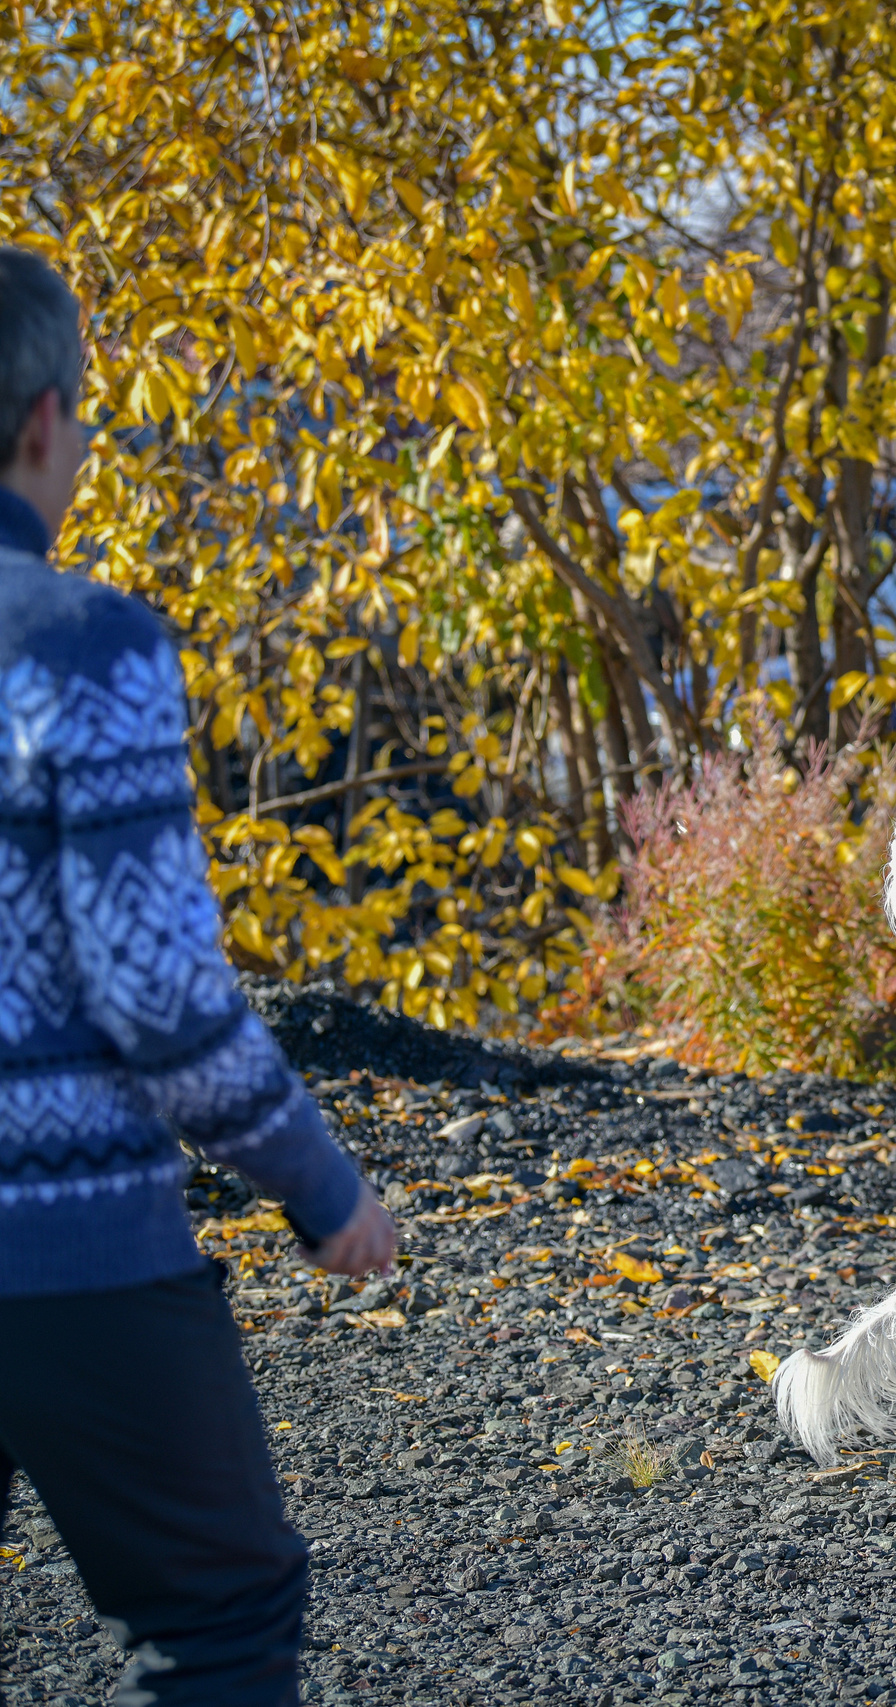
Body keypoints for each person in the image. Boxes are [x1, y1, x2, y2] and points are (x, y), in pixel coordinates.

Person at [0, 246, 398, 1704]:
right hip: (64, 1244)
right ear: (45, 421)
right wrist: (317, 1179)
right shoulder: (81, 646)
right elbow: (157, 994)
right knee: (221, 1617)